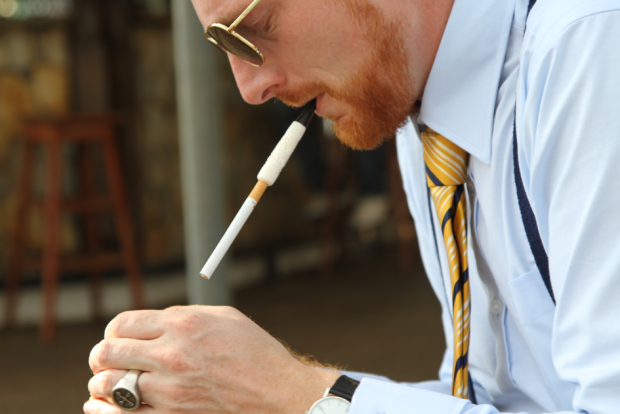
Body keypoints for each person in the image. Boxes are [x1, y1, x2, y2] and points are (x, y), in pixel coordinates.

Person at [84, 0, 620, 413]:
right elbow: (495, 399)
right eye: (223, 44)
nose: (250, 87)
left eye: (256, 27)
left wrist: (291, 392)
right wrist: (238, 395)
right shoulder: (417, 103)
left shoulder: (589, 49)